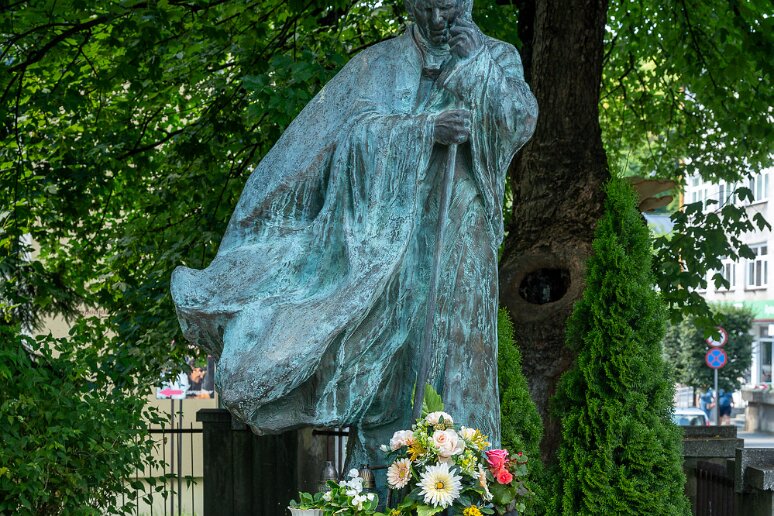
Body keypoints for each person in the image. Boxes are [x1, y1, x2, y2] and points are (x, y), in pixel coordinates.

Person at [171, 0, 537, 472]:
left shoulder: (496, 54)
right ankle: (390, 469)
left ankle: (467, 474)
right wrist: (426, 130)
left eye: (457, 4)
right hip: (388, 247)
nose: (449, 17)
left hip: (462, 234)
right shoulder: (376, 66)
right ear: (414, 6)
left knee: (462, 357)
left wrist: (477, 69)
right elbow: (346, 140)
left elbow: (519, 124)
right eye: (437, 6)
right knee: (393, 362)